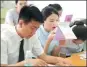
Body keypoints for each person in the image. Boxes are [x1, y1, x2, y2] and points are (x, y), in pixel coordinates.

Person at [1, 5, 72, 66]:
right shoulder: (3, 38)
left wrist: (60, 60)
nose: (34, 32)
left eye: (37, 28)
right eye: (32, 28)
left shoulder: (32, 36)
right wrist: (26, 63)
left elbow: (43, 56)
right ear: (21, 23)